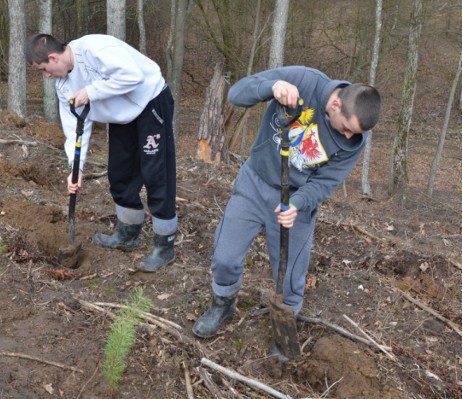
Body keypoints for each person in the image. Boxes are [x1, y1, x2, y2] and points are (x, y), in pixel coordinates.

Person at [192, 66, 381, 338]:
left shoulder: (355, 140)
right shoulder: (304, 81)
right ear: (336, 104)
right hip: (255, 184)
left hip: (295, 202)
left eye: (356, 134)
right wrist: (271, 87)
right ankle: (222, 303)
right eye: (347, 128)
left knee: (291, 276)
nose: (349, 137)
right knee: (225, 257)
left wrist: (298, 203)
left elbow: (326, 182)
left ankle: (285, 322)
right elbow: (236, 94)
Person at [25, 33, 178, 272]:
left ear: (53, 58)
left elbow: (132, 76)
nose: (46, 76)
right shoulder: (64, 85)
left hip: (150, 100)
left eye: (44, 69)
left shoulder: (95, 48)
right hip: (121, 114)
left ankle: (164, 245)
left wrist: (91, 92)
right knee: (120, 172)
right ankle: (128, 234)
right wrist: (76, 167)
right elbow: (76, 127)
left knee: (156, 173)